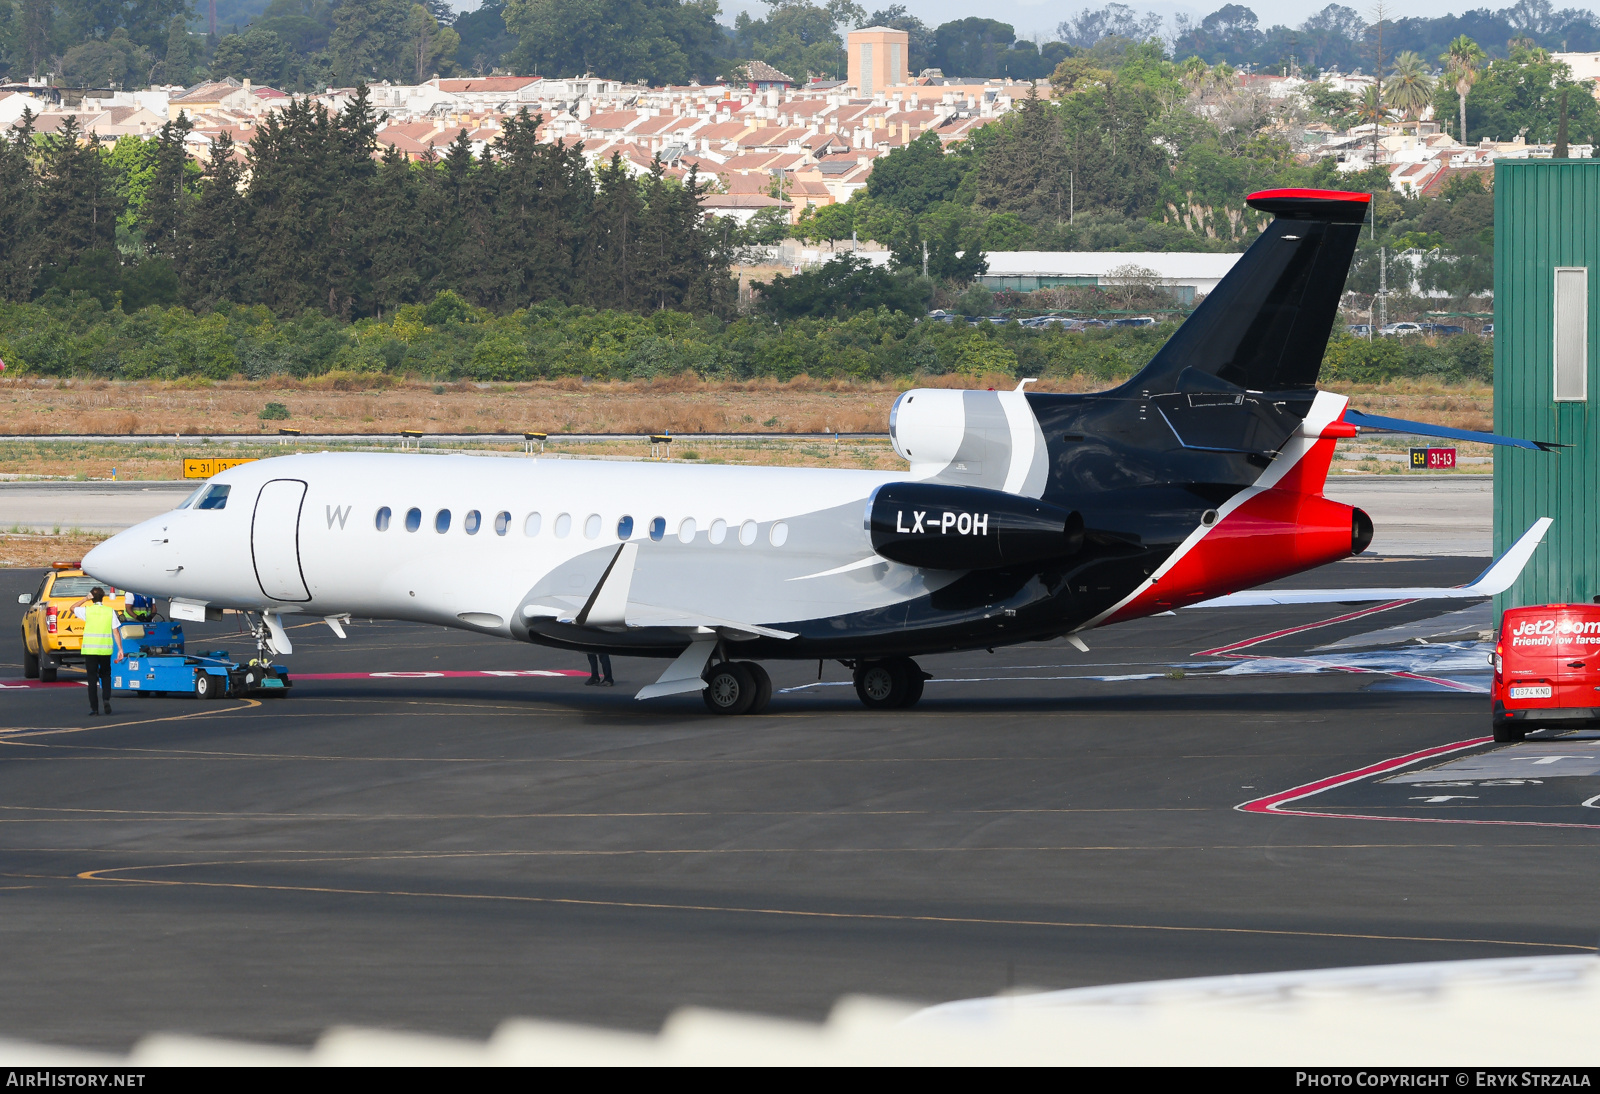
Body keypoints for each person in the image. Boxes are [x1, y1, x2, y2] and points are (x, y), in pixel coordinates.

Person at [67, 587, 123, 716]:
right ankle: (106, 699)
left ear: (91, 597)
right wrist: (120, 648)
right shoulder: (109, 611)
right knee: (106, 675)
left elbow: (72, 608)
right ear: (103, 597)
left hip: (90, 650)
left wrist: (85, 599)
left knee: (92, 679)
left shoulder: (88, 610)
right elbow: (115, 631)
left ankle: (94, 709)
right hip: (105, 650)